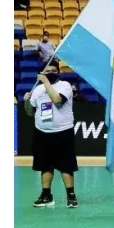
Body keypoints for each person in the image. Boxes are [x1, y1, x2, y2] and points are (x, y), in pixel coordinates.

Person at [23, 61, 79, 208]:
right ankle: (46, 195)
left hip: (63, 132)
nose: (50, 73)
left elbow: (57, 100)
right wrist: (27, 101)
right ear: (42, 72)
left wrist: (46, 82)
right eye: (47, 71)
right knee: (45, 166)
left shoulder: (65, 86)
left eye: (53, 70)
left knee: (66, 166)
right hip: (42, 132)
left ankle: (71, 196)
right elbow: (30, 112)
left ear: (58, 72)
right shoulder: (37, 89)